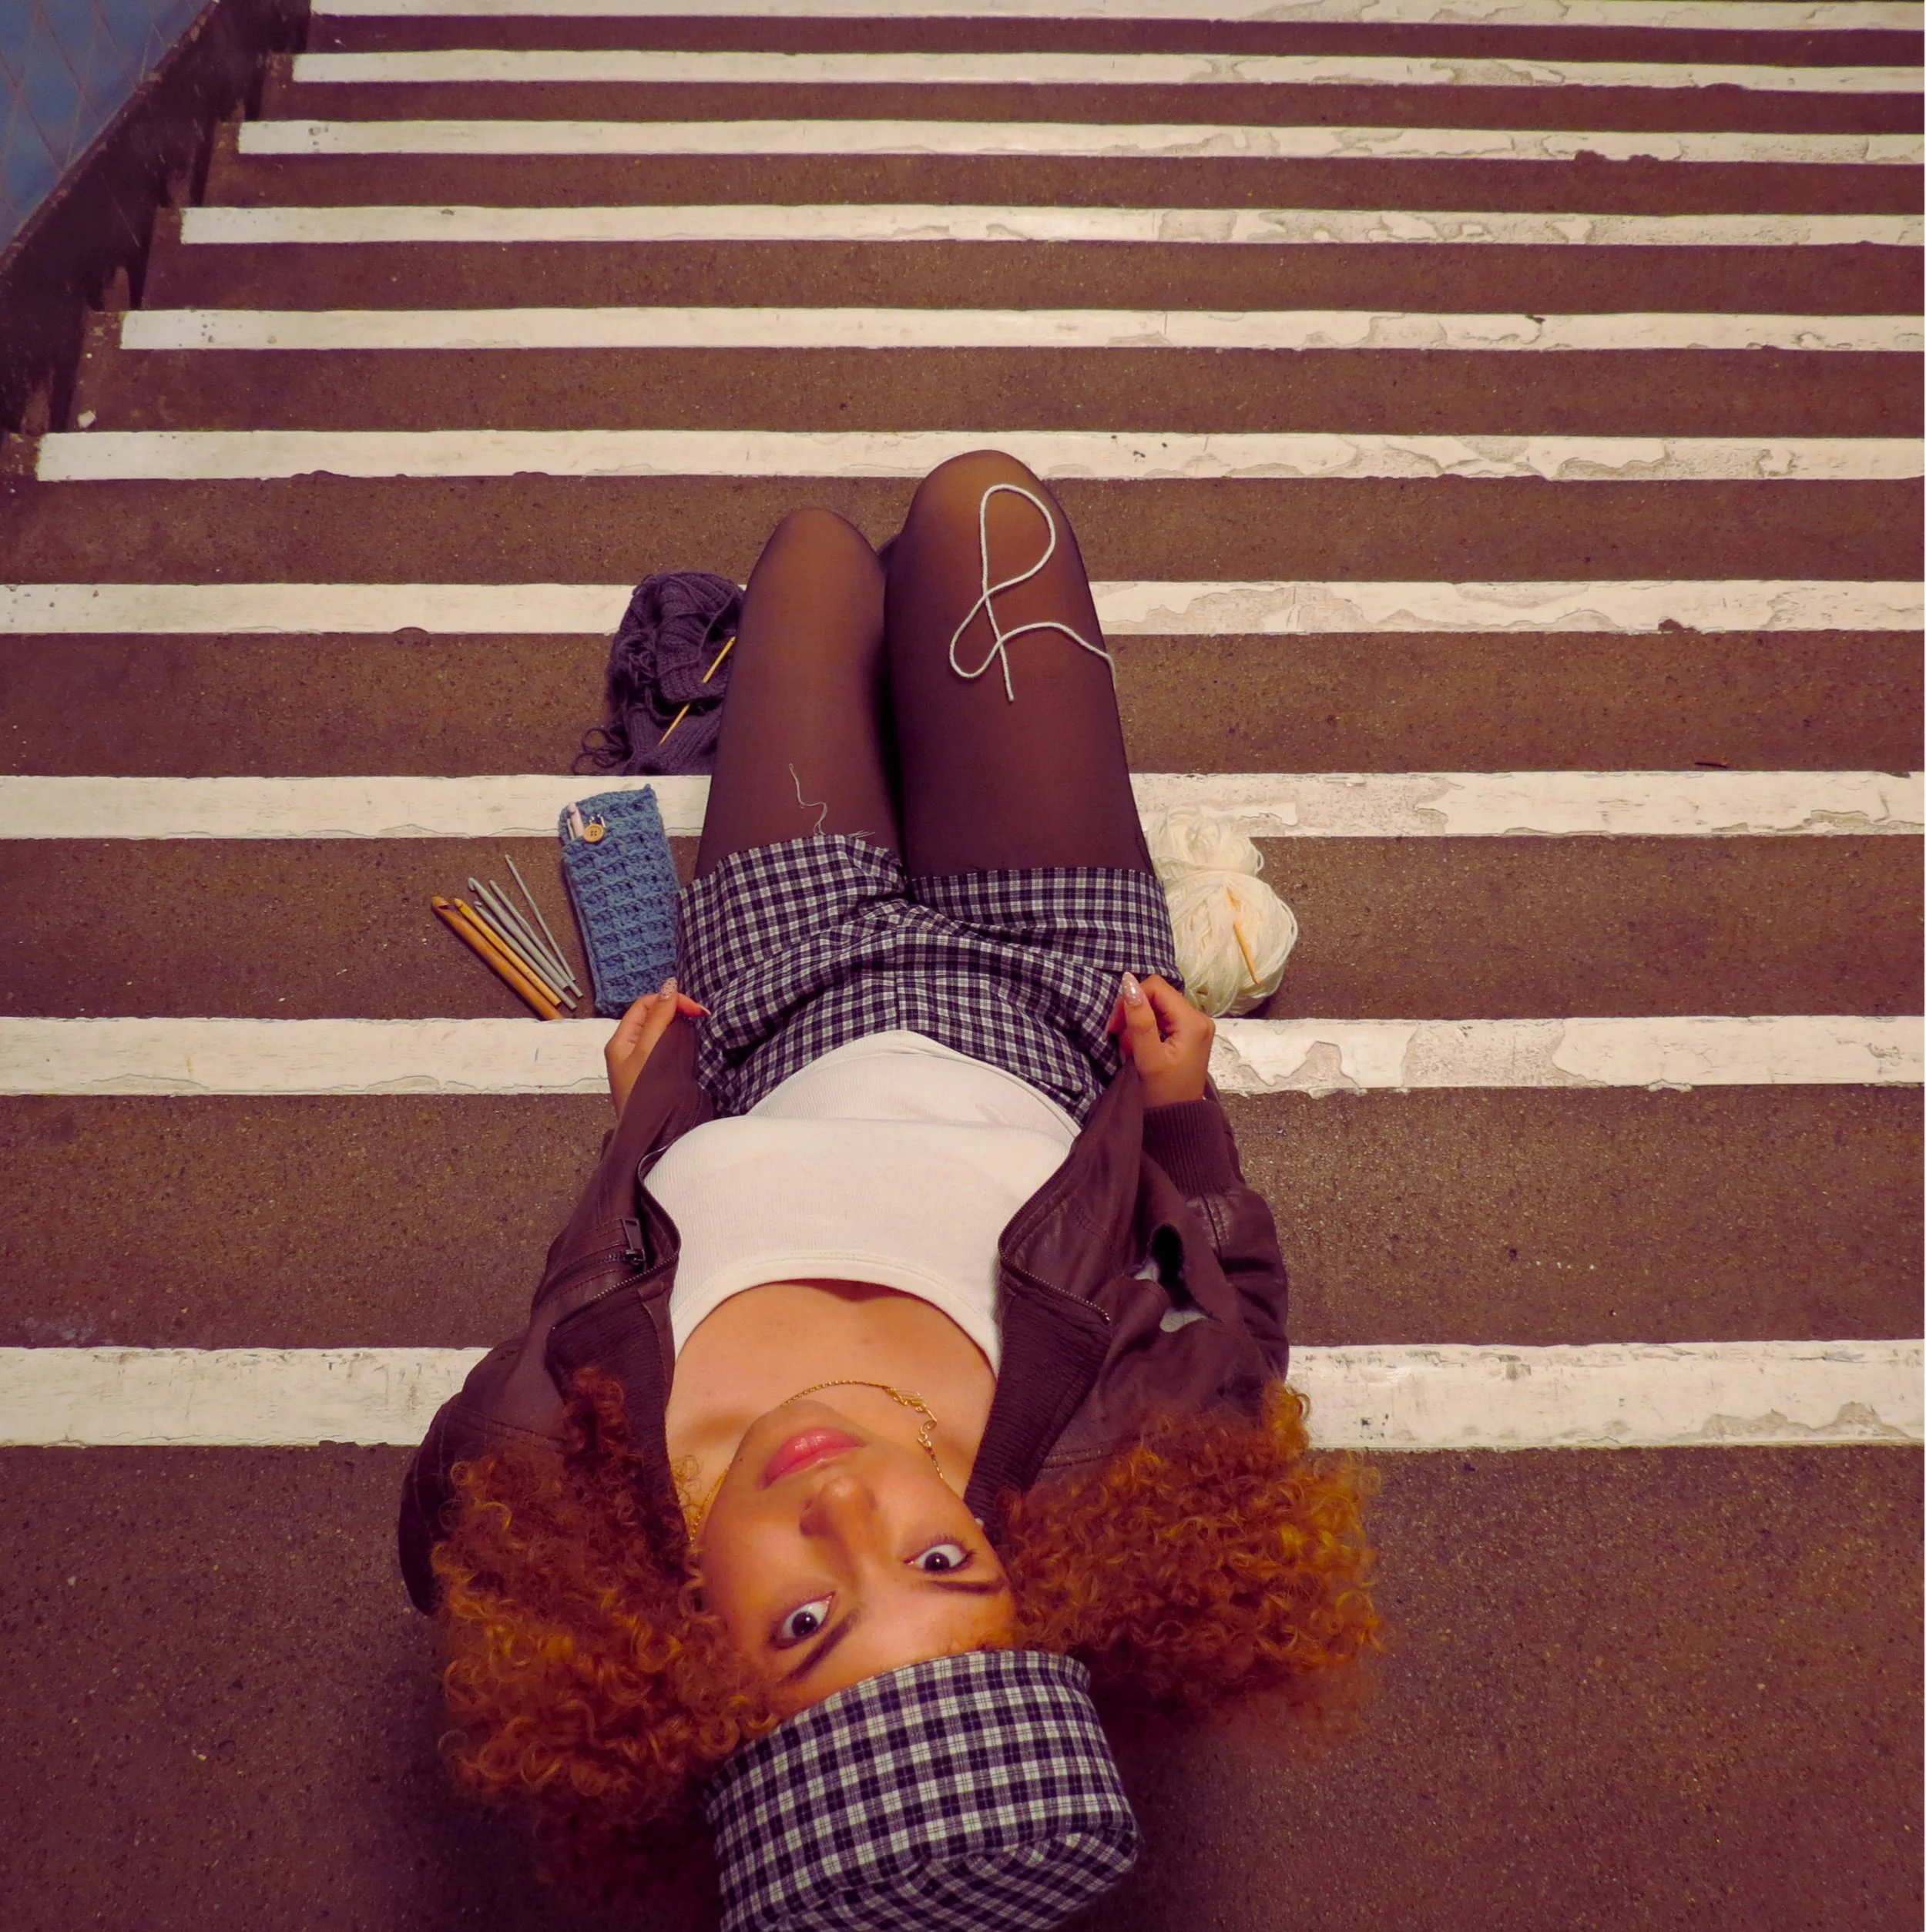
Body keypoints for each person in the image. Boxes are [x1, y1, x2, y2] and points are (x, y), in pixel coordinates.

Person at [399, 451, 1379, 1926]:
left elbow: (586, 1277)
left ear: (690, 1673)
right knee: (984, 506)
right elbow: (1215, 1302)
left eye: (804, 1620)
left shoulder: (543, 1458)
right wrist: (1182, 1128)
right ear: (1017, 1578)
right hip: (1055, 976)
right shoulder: (1128, 1449)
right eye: (939, 1559)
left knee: (808, 557)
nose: (850, 1499)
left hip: (779, 978)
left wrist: (646, 1121)